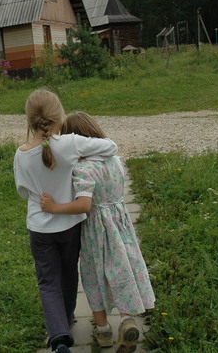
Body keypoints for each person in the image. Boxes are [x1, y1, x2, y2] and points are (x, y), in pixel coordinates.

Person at [40, 111, 155, 353]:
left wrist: (54, 207)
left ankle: (103, 331)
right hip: (120, 224)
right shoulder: (116, 160)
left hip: (95, 229)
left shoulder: (84, 169)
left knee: (93, 276)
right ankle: (126, 320)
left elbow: (84, 205)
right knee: (122, 268)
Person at [13, 91, 118, 353]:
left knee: (48, 281)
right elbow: (111, 147)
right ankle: (68, 317)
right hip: (70, 225)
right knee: (69, 275)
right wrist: (81, 158)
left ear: (29, 119)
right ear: (59, 115)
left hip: (39, 228)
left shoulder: (21, 154)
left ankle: (59, 337)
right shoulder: (71, 143)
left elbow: (23, 192)